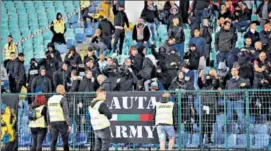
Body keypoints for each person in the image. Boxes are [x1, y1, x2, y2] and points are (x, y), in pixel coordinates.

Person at [47, 85, 72, 151]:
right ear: (62, 90)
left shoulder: (50, 99)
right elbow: (66, 112)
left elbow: (48, 113)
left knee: (53, 140)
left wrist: (48, 124)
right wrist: (69, 124)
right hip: (62, 122)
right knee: (65, 141)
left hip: (53, 122)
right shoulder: (63, 99)